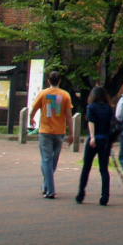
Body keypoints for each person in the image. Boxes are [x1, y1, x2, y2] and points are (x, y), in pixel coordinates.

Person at [29, 71, 72, 199]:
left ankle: (50, 189)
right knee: (53, 161)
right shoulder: (65, 95)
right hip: (59, 132)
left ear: (49, 81)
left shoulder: (43, 93)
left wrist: (31, 119)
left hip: (45, 131)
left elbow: (34, 109)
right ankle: (46, 185)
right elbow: (69, 116)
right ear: (59, 81)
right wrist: (72, 133)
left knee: (46, 160)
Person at [76, 86, 113, 205]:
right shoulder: (108, 108)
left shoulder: (91, 107)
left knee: (86, 168)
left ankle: (81, 194)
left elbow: (91, 122)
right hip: (105, 141)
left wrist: (92, 137)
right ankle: (105, 196)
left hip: (94, 140)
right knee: (104, 170)